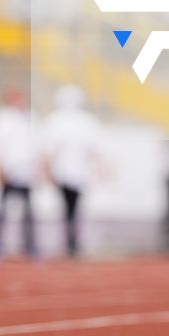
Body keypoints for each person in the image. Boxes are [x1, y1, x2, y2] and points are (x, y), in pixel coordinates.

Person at [40, 84, 99, 257]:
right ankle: (71, 243)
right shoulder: (83, 121)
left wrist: (47, 168)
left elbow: (50, 149)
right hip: (70, 172)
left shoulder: (57, 120)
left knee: (70, 208)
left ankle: (71, 243)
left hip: (70, 172)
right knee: (72, 208)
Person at [0, 88, 40, 259]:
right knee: (1, 210)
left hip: (26, 172)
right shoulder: (1, 118)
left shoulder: (30, 117)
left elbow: (36, 145)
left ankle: (30, 246)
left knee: (28, 211)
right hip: (8, 170)